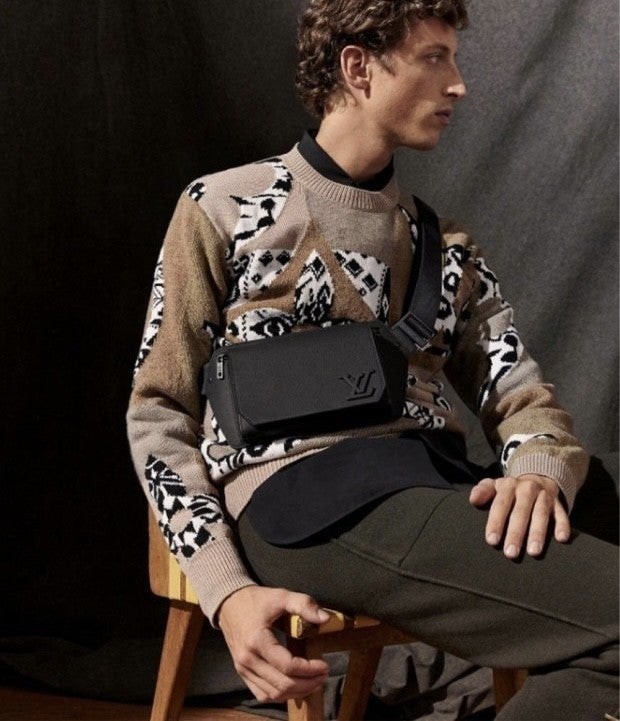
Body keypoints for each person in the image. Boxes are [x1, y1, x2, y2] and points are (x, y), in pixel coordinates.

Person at [127, 1, 619, 718]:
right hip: (309, 500)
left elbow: (520, 392)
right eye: (433, 58)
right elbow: (159, 414)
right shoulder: (223, 208)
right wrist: (226, 590)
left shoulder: (443, 245)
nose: (458, 85)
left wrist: (537, 469)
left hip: (431, 483)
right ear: (358, 68)